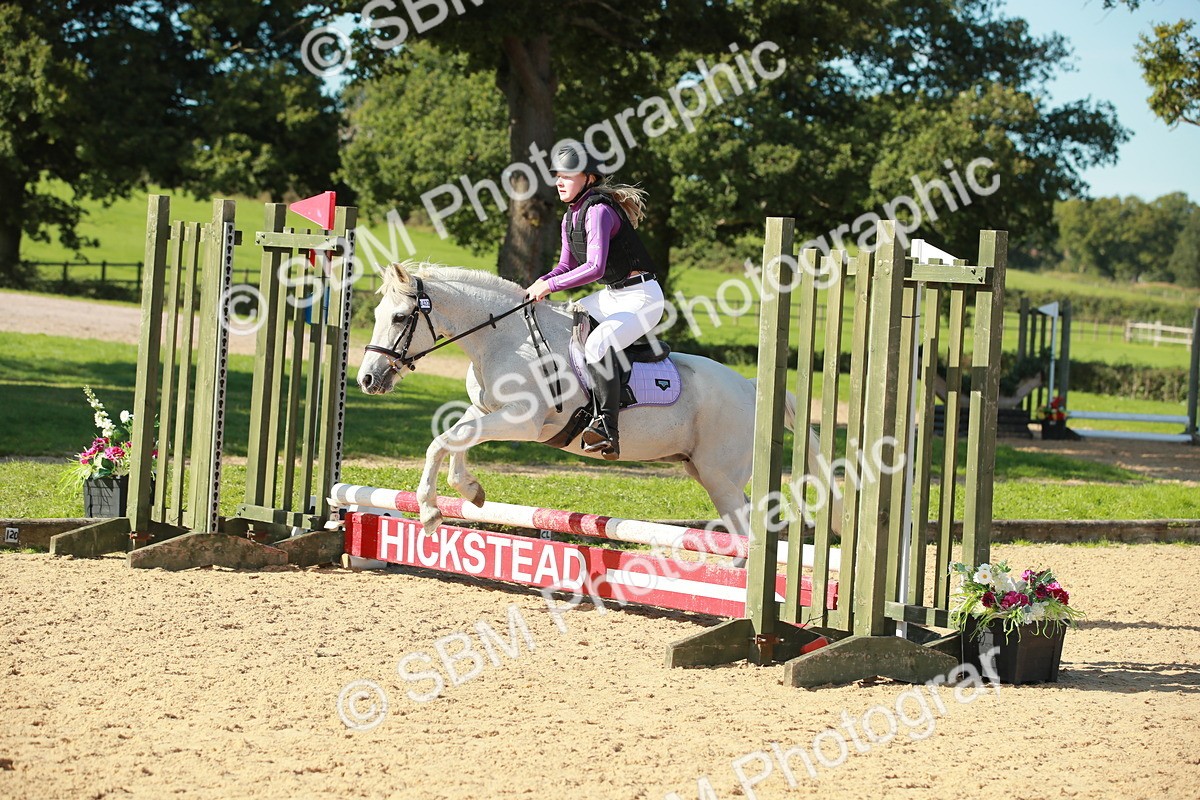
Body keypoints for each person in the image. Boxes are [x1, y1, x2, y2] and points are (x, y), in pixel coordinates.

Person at [525, 143, 664, 459]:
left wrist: (550, 285)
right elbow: (565, 266)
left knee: (599, 342)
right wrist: (541, 283)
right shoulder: (570, 217)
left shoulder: (599, 211)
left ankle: (607, 428)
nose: (559, 182)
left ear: (588, 178)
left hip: (643, 297)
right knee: (565, 318)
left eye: (567, 176)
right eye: (557, 176)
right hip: (614, 295)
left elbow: (594, 268)